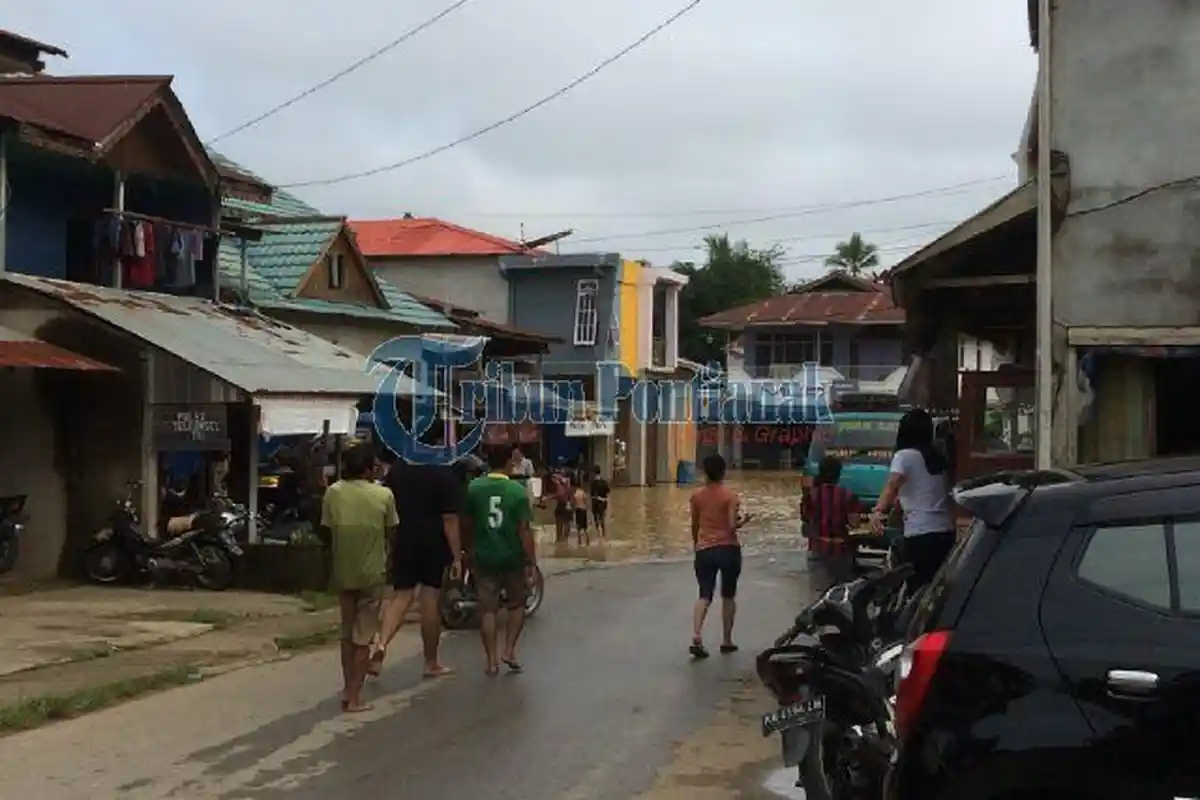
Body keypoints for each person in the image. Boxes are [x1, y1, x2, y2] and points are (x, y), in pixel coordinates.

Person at [372, 430, 463, 679]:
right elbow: (450, 519)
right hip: (433, 543)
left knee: (401, 597)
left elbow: (388, 510)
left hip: (404, 539)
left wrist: (391, 542)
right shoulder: (443, 475)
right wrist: (456, 556)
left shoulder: (397, 473)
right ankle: (431, 662)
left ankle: (381, 644)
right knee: (429, 601)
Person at [320, 445, 395, 713]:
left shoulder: (333, 492)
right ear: (367, 469)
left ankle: (346, 686)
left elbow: (326, 531)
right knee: (363, 637)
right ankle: (353, 695)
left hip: (342, 570)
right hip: (372, 572)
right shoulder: (384, 494)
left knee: (347, 633)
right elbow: (391, 532)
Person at [464, 446, 538, 675]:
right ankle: (509, 650)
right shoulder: (517, 491)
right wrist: (531, 561)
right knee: (517, 605)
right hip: (512, 558)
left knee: (488, 610)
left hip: (484, 557)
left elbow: (466, 524)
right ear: (509, 463)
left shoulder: (473, 489)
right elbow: (524, 531)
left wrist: (467, 552)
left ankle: (491, 661)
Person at [869, 408, 956, 591]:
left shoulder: (904, 455)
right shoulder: (938, 457)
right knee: (937, 589)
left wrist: (877, 512)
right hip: (946, 532)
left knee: (917, 590)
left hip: (921, 535)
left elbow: (893, 484)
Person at [688, 454, 747, 659]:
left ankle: (696, 635)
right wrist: (744, 521)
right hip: (728, 549)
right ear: (723, 472)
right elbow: (731, 526)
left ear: (705, 473)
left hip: (704, 550)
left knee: (704, 595)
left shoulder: (696, 497)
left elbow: (695, 524)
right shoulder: (730, 496)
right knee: (728, 595)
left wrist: (696, 544)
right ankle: (727, 640)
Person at [801, 456, 866, 589]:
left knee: (817, 596)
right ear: (838, 474)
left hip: (818, 551)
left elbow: (806, 523)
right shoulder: (848, 496)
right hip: (842, 553)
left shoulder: (810, 496)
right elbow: (855, 524)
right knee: (841, 595)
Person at [589, 466, 610, 538]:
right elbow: (608, 491)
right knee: (602, 517)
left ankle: (598, 534)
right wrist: (604, 498)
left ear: (594, 473)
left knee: (596, 518)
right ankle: (604, 533)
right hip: (603, 502)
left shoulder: (593, 483)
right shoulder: (604, 482)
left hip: (595, 502)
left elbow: (592, 494)